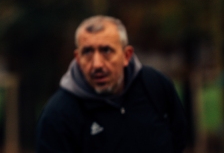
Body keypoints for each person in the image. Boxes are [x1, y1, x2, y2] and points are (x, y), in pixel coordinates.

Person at [36, 15, 188, 153]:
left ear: (126, 55)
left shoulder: (154, 85)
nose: (97, 64)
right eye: (87, 52)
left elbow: (179, 140)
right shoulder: (58, 115)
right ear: (77, 58)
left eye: (106, 50)